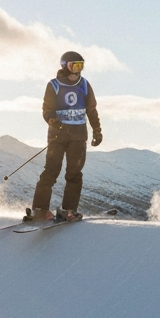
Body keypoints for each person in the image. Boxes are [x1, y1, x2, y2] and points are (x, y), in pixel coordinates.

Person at [27, 51, 102, 222]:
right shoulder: (54, 85)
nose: (77, 70)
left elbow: (91, 109)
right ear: (64, 66)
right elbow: (47, 109)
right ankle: (40, 209)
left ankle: (69, 210)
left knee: (74, 174)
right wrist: (52, 121)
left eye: (80, 65)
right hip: (58, 135)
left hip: (78, 135)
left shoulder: (84, 85)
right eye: (74, 65)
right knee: (51, 171)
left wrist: (97, 130)